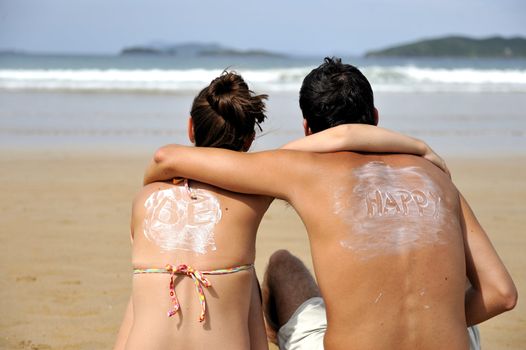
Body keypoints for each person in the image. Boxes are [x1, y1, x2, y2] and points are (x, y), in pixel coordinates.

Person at [143, 58, 517, 350]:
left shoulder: (303, 168)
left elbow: (166, 159)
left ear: (307, 128)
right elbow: (501, 294)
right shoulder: (434, 175)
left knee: (282, 266)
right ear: (375, 119)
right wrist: (415, 145)